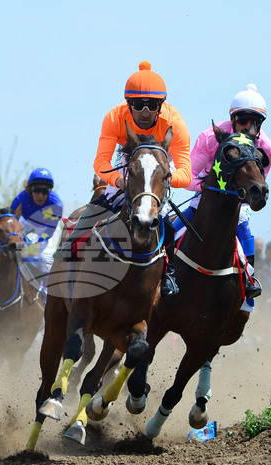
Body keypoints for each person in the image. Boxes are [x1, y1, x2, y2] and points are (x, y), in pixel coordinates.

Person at [92, 61, 192, 295]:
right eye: (138, 105)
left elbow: (186, 174)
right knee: (98, 208)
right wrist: (122, 181)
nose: (145, 112)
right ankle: (77, 261)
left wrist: (159, 180)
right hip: (129, 165)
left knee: (164, 217)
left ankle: (169, 273)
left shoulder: (174, 123)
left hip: (159, 170)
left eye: (153, 105)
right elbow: (101, 164)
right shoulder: (115, 117)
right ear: (128, 104)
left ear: (161, 105)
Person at [177, 83, 271, 303]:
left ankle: (249, 276)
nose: (248, 127)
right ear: (233, 119)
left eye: (255, 122)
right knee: (172, 223)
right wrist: (202, 187)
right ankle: (164, 269)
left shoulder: (266, 148)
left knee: (242, 220)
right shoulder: (209, 137)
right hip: (206, 195)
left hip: (235, 202)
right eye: (243, 120)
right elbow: (187, 176)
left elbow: (256, 189)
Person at [0, 168, 64, 295]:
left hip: (48, 229)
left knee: (44, 258)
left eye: (45, 191)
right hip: (27, 224)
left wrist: (36, 239)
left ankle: (49, 295)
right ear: (30, 189)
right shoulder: (21, 198)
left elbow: (50, 231)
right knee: (10, 251)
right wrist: (17, 236)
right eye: (37, 190)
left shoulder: (56, 204)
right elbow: (11, 220)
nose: (40, 196)